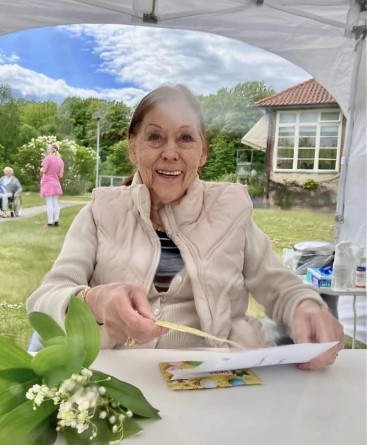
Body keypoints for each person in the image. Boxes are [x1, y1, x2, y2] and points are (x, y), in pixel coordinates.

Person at [27, 84, 344, 370]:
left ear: (202, 151)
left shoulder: (230, 212)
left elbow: (282, 288)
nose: (170, 152)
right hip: (116, 379)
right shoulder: (99, 212)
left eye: (185, 138)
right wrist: (94, 302)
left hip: (215, 381)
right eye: (155, 137)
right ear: (133, 148)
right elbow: (46, 299)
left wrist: (307, 308)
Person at [40, 144, 64, 227]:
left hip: (48, 182)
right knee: (55, 202)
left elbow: (44, 169)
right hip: (56, 183)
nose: (47, 150)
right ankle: (56, 221)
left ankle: (50, 222)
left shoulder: (48, 158)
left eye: (48, 149)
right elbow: (60, 175)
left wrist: (40, 169)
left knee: (49, 203)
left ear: (51, 150)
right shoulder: (60, 161)